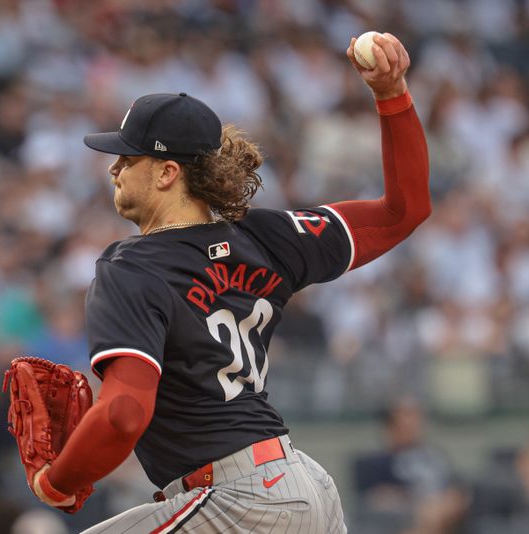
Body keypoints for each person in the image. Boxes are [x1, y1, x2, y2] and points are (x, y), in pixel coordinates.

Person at [26, 32, 430, 533]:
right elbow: (405, 210)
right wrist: (392, 95)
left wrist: (59, 480)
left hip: (238, 501)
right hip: (302, 487)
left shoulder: (130, 266)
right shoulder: (268, 236)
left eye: (128, 158)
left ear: (167, 172)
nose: (114, 168)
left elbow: (123, 414)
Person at [352, 398, 469, 534]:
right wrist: (420, 504)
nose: (412, 423)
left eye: (416, 416)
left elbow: (455, 487)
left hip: (445, 513)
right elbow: (377, 498)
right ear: (390, 426)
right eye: (406, 416)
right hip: (409, 518)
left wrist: (448, 501)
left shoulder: (434, 456)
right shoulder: (377, 462)